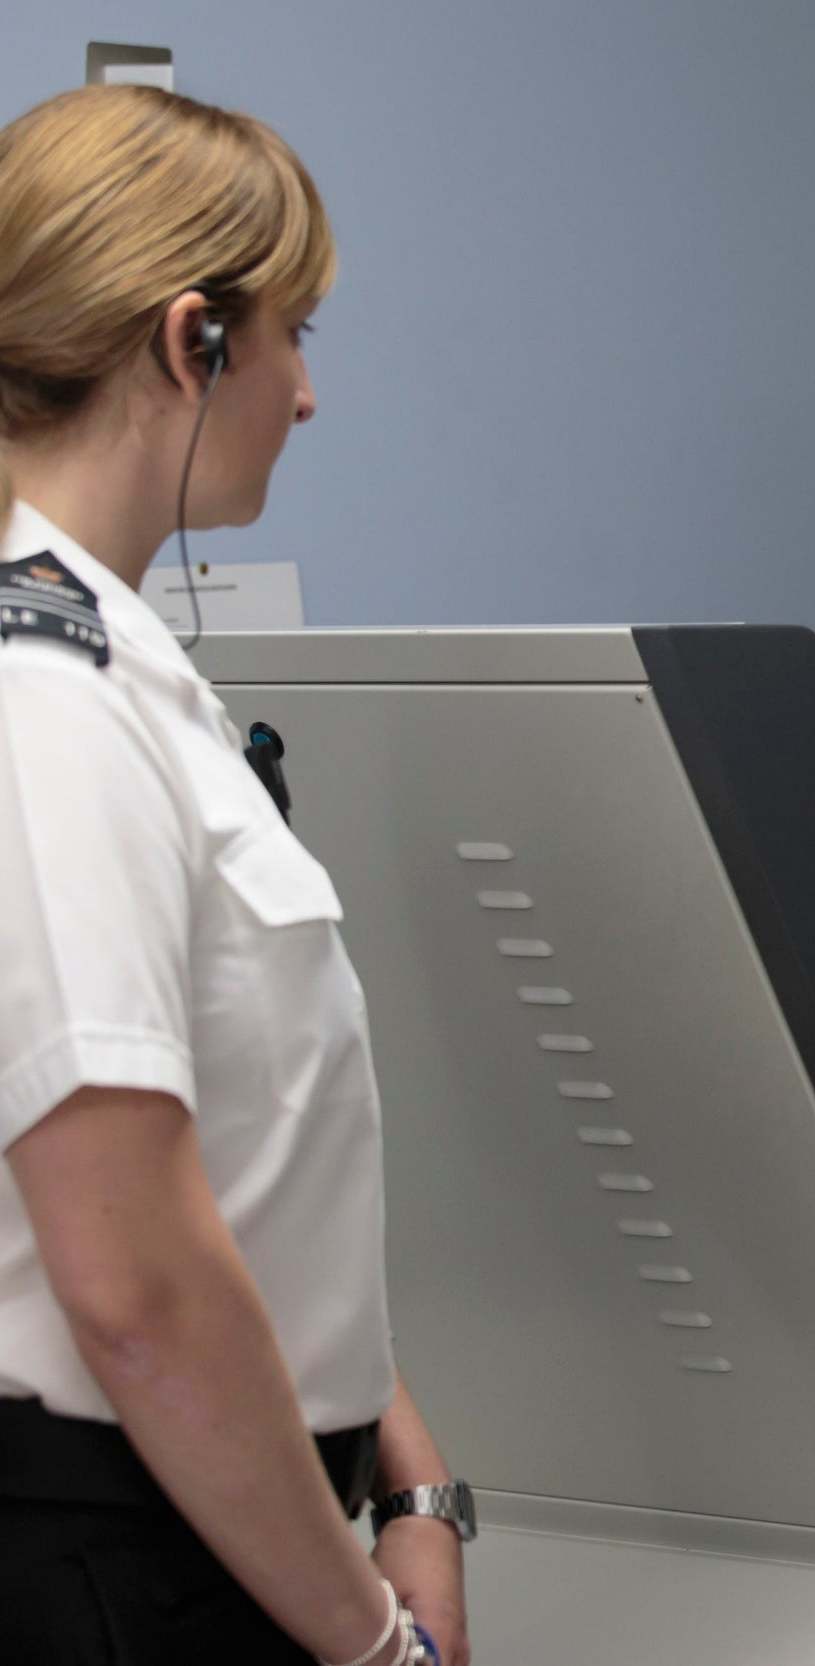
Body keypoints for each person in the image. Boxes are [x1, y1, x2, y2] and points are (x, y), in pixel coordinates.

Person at [0, 86, 472, 1666]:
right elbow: (132, 1278)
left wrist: (416, 1478)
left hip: (225, 1515)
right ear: (190, 340)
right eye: (297, 333)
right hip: (117, 1560)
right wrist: (371, 1642)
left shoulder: (128, 674)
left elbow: (261, 1187)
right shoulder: (43, 704)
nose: (310, 394)